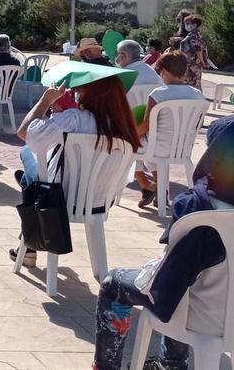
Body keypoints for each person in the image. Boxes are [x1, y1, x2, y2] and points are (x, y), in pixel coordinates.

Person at [91, 118, 232, 370]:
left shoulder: (198, 205)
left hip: (203, 314)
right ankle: (169, 362)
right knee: (187, 277)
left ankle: (108, 367)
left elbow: (172, 275)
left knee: (114, 283)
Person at [13, 74, 139, 266]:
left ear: (91, 94)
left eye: (80, 89)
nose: (77, 93)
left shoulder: (74, 118)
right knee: (33, 174)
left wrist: (46, 100)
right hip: (98, 201)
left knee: (27, 153)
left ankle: (29, 240)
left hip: (58, 199)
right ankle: (28, 186)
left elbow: (24, 132)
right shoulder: (124, 130)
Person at [133, 51, 207, 207]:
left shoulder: (158, 94)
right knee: (143, 145)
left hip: (157, 149)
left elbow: (147, 125)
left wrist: (129, 134)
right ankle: (158, 188)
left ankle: (149, 185)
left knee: (127, 145)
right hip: (183, 149)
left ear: (164, 71)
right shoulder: (198, 95)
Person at [179, 14, 210, 90]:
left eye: (188, 23)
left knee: (192, 84)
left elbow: (198, 49)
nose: (186, 25)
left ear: (195, 24)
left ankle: (195, 100)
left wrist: (202, 62)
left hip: (192, 64)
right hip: (191, 64)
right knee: (193, 83)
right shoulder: (195, 34)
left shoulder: (194, 35)